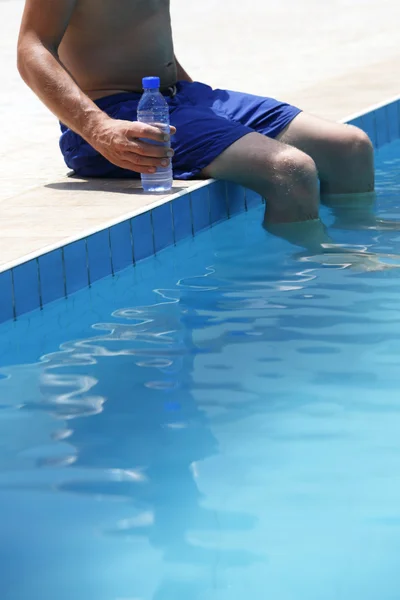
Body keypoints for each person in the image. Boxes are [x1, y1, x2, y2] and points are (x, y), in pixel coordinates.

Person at [17, 0, 374, 230]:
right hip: (118, 113)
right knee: (290, 170)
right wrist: (97, 128)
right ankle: (312, 284)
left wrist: (195, 103)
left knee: (349, 147)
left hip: (179, 97)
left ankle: (359, 245)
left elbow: (138, 32)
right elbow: (31, 47)